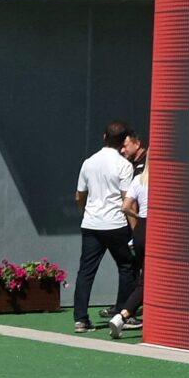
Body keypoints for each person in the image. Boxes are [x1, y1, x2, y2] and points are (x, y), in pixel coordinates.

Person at [72, 119, 138, 335]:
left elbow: (79, 196)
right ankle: (122, 314)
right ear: (123, 142)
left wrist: (86, 213)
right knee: (127, 267)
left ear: (104, 137)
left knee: (86, 271)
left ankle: (80, 319)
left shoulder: (88, 162)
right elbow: (127, 200)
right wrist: (135, 230)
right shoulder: (124, 166)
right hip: (116, 224)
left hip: (91, 224)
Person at [114, 140, 149, 338]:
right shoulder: (163, 181)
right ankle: (123, 314)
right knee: (148, 280)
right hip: (154, 230)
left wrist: (138, 218)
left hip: (140, 230)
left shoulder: (138, 180)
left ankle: (125, 314)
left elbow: (125, 207)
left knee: (143, 275)